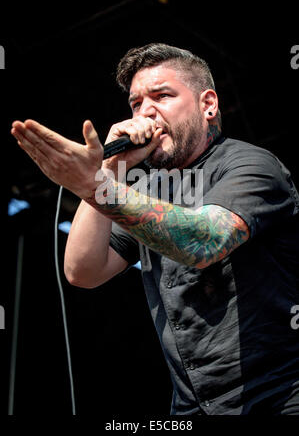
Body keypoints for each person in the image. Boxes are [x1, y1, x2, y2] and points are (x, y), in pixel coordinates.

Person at [11, 43, 299, 416]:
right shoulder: (143, 188)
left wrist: (94, 186)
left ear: (207, 104)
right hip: (192, 408)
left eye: (162, 96)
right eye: (136, 103)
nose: (146, 111)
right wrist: (109, 171)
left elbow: (204, 241)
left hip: (276, 399)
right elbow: (83, 270)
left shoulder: (252, 166)